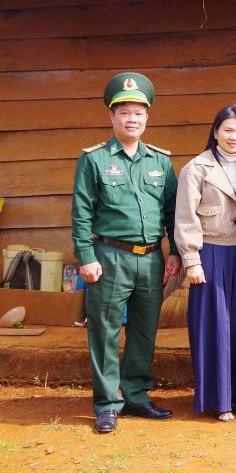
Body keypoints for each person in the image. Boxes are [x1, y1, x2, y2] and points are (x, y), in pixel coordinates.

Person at [71, 72, 182, 434]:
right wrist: (86, 256)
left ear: (147, 116)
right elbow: (81, 213)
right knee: (104, 332)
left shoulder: (160, 161)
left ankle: (136, 395)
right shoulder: (94, 160)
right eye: (124, 112)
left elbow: (172, 211)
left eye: (138, 113)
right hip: (109, 256)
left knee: (144, 331)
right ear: (112, 116)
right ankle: (107, 404)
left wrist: (174, 251)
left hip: (151, 258)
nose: (132, 119)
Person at [174, 105, 236, 422]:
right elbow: (185, 218)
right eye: (228, 130)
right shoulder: (197, 168)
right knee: (214, 326)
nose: (234, 137)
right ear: (215, 132)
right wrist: (192, 260)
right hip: (211, 253)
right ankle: (218, 399)